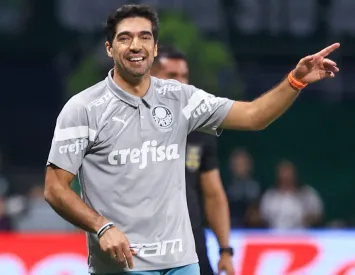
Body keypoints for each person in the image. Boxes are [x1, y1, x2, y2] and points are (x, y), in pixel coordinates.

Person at [43, 4, 339, 275]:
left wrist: (295, 81)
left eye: (145, 37)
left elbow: (253, 116)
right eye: (125, 38)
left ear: (155, 47)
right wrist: (101, 226)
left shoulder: (179, 97)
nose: (136, 45)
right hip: (123, 266)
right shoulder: (82, 109)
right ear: (109, 48)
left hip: (182, 263)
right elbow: (55, 188)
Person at [151, 45, 234, 275]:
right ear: (152, 76)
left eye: (184, 76)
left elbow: (213, 193)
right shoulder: (131, 124)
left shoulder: (199, 129)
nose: (180, 82)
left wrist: (225, 250)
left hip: (192, 246)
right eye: (171, 76)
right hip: (143, 248)